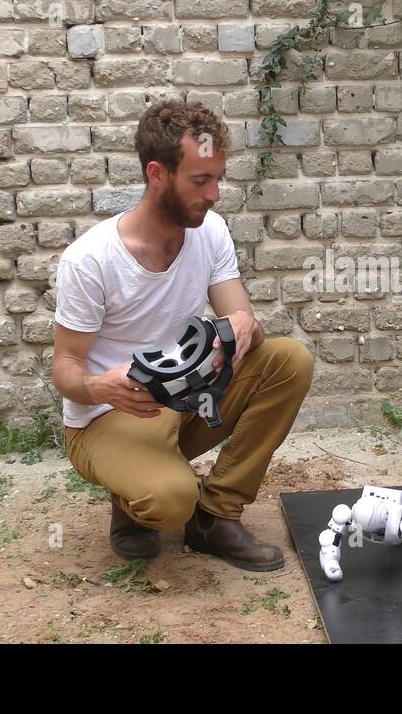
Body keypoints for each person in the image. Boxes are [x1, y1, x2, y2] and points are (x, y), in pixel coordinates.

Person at [50, 100, 314, 571]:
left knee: (289, 360)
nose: (215, 193)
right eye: (200, 180)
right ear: (157, 174)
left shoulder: (210, 231)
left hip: (188, 398)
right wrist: (98, 385)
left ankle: (215, 516)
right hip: (110, 415)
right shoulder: (90, 260)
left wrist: (242, 327)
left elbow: (246, 324)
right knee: (172, 500)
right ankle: (133, 496)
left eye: (218, 178)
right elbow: (65, 371)